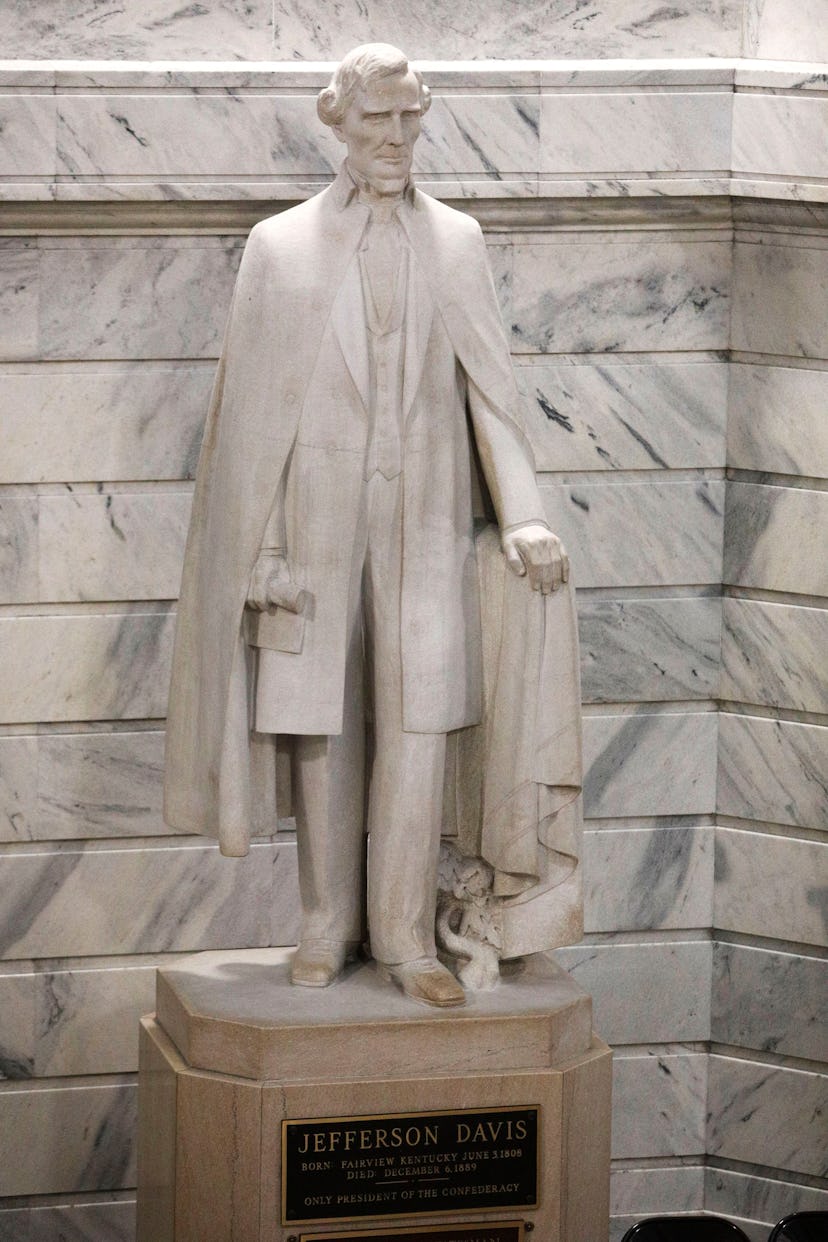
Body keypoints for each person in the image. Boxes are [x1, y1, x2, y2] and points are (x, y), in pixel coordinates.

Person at [163, 44, 569, 1008]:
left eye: (408, 119)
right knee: (324, 735)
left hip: (424, 526)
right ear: (335, 121)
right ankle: (324, 925)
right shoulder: (281, 246)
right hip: (314, 534)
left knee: (418, 728)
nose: (394, 138)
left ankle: (403, 939)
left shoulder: (458, 240)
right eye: (376, 119)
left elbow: (491, 395)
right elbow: (250, 419)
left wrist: (525, 514)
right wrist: (258, 547)